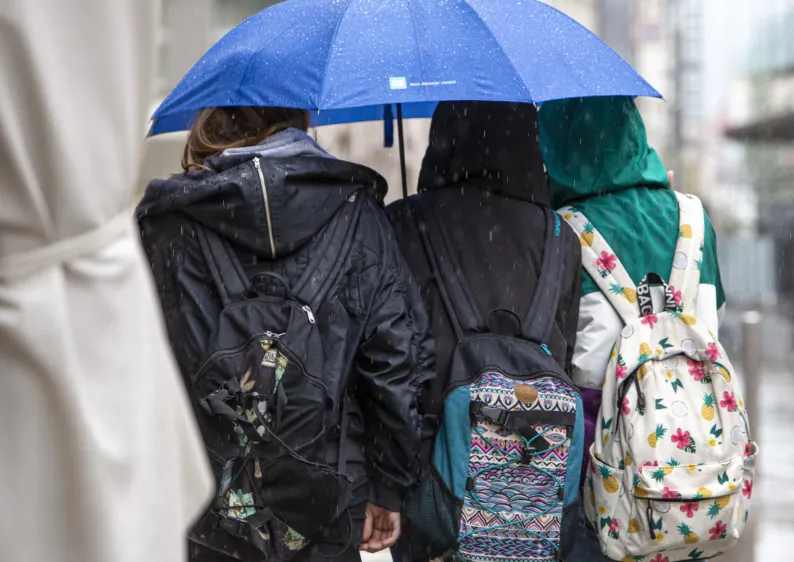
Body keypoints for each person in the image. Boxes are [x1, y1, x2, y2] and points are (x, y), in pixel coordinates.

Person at [136, 107, 433, 562]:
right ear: (300, 117)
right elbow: (394, 363)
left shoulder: (167, 224)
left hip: (205, 497)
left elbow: (137, 366)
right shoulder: (359, 216)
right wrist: (389, 485)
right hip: (330, 494)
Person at [0, 1, 212, 561]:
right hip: (317, 466)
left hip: (217, 430)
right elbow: (386, 350)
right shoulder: (360, 215)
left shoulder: (165, 215)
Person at [384, 101, 583, 562]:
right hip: (536, 488)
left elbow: (388, 358)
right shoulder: (560, 236)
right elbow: (564, 361)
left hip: (430, 479)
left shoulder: (405, 222)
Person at [537, 96, 727, 562]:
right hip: (692, 456)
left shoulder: (561, 229)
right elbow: (712, 313)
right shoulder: (693, 216)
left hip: (601, 461)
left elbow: (551, 345)